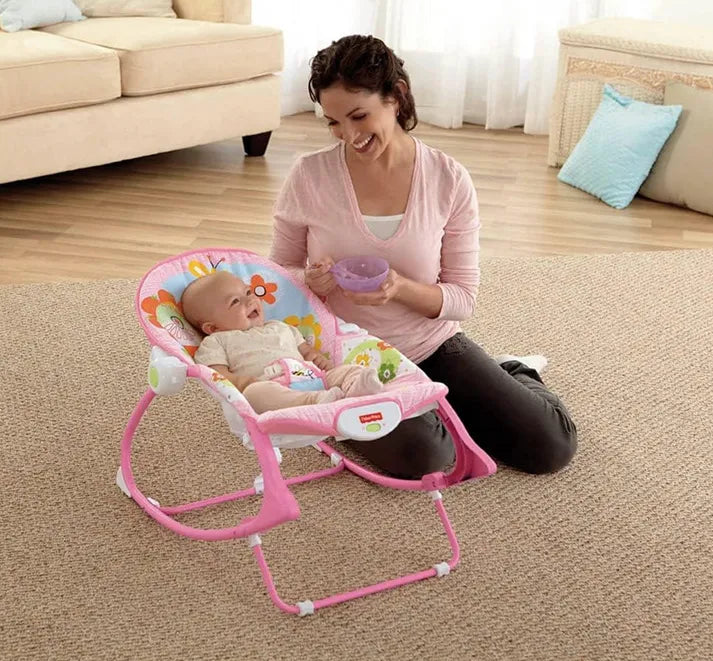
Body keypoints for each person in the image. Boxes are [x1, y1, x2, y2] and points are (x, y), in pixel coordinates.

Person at [270, 35, 577, 478]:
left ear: (396, 96)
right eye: (334, 122)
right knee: (427, 456)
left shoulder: (448, 179)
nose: (349, 135)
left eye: (359, 116)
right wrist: (308, 281)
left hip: (430, 345)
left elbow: (462, 298)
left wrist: (399, 289)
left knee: (549, 446)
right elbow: (276, 275)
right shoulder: (309, 176)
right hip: (344, 358)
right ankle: (391, 406)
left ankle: (513, 371)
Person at [181, 271, 384, 414]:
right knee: (255, 395)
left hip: (311, 376)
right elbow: (216, 376)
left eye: (248, 292)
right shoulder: (217, 340)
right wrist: (244, 383)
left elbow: (306, 351)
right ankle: (315, 401)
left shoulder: (280, 327)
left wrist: (316, 358)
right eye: (235, 301)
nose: (250, 301)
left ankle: (358, 387)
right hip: (272, 386)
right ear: (212, 327)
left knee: (346, 371)